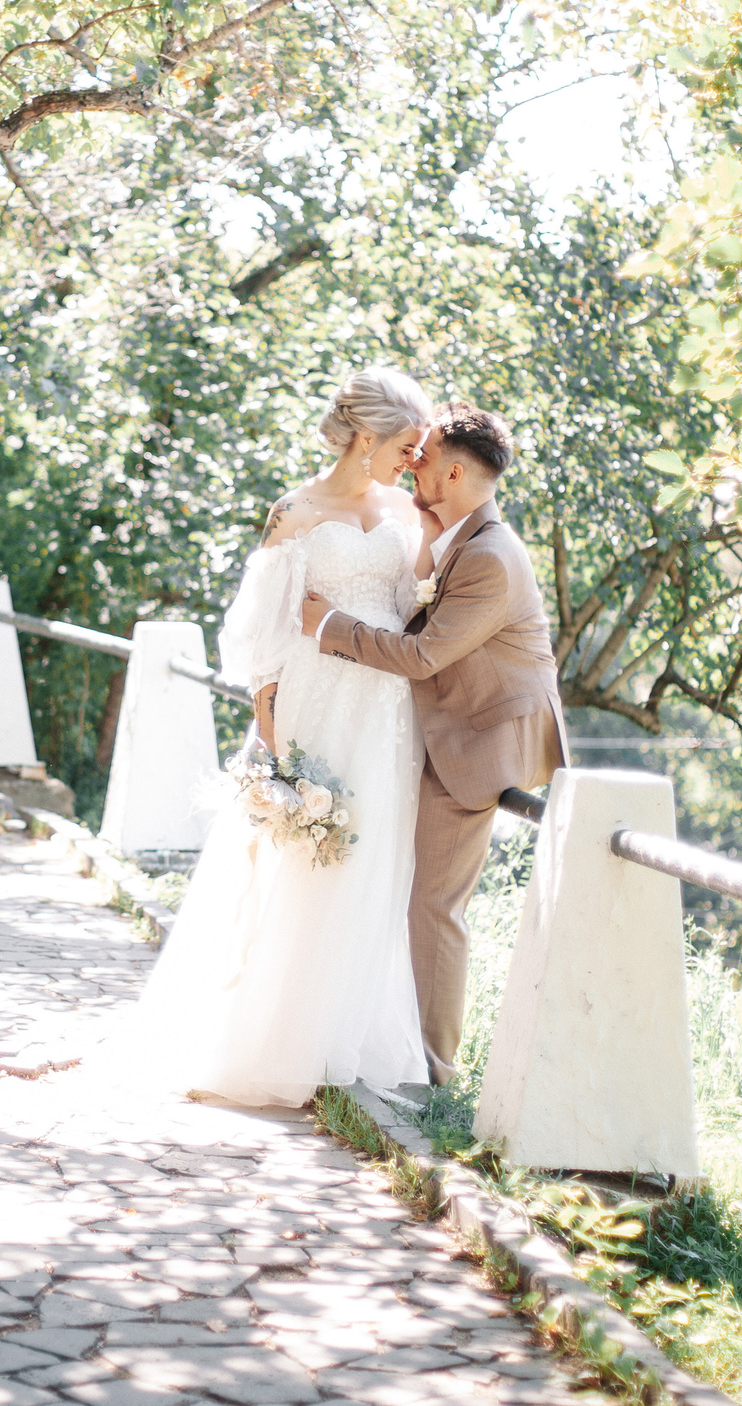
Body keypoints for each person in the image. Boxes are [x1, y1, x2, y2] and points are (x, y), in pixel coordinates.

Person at [115, 368, 436, 1106]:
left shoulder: (404, 510)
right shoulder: (293, 512)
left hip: (387, 713)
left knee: (374, 859)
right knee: (305, 864)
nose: (413, 460)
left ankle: (343, 1035)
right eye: (406, 445)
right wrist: (276, 747)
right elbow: (261, 637)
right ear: (366, 437)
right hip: (316, 704)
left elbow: (411, 606)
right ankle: (278, 1037)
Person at [300, 404, 567, 1084]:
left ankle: (435, 1071)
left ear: (452, 471)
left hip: (481, 741)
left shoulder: (491, 558)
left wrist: (327, 625)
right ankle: (387, 1039)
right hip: (445, 722)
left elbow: (422, 656)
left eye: (423, 457)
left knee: (433, 905)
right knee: (393, 879)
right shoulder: (460, 534)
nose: (410, 461)